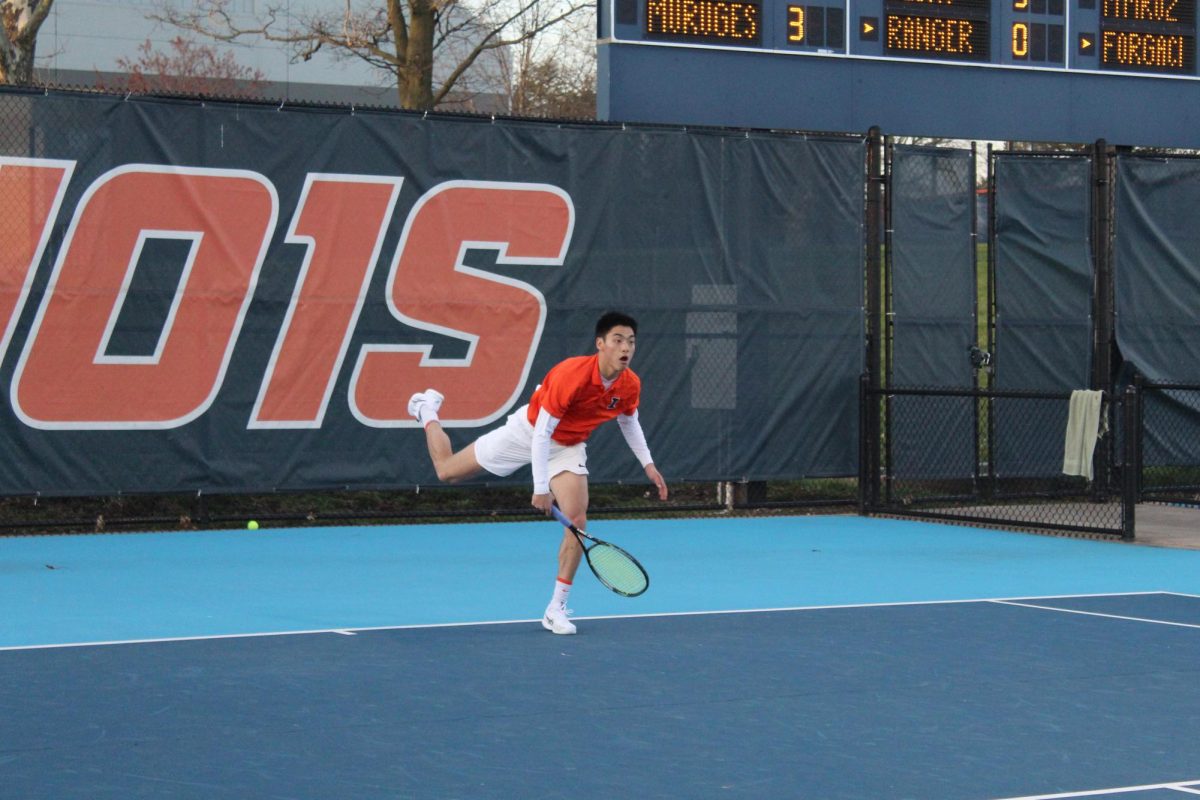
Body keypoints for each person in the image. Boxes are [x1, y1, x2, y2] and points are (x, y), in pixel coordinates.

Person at [407, 311, 669, 635]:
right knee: (447, 472)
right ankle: (426, 410)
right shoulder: (571, 375)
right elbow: (542, 434)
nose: (625, 347)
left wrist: (648, 464)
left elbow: (629, 421)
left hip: (569, 446)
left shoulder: (630, 384)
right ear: (600, 344)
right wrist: (541, 487)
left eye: (630, 341)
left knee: (577, 522)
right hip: (528, 432)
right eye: (617, 340)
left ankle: (555, 608)